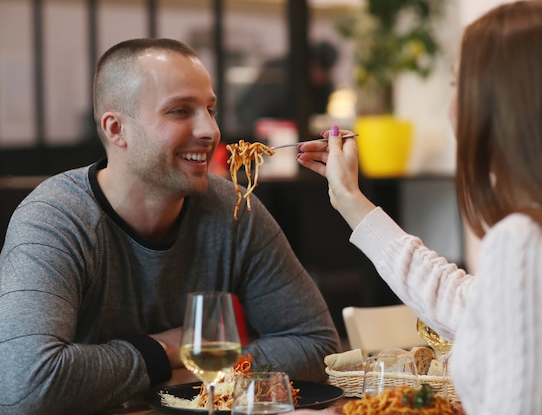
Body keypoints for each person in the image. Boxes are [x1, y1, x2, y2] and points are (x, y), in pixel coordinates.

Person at [297, 1, 542, 415]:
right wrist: (352, 202)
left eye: (456, 85)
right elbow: (465, 304)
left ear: (502, 105)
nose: (450, 107)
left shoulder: (525, 243)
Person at [0, 38, 340, 415]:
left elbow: (317, 345)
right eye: (180, 111)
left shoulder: (235, 209)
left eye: (210, 109)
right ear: (116, 129)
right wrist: (164, 351)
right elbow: (25, 385)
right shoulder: (55, 219)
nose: (210, 131)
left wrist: (191, 380)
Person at [235, 41, 338, 135]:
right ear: (310, 64)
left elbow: (317, 117)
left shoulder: (322, 87)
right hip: (262, 136)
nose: (324, 76)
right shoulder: (278, 74)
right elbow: (250, 111)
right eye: (320, 69)